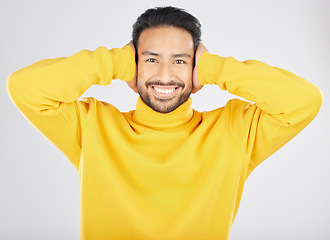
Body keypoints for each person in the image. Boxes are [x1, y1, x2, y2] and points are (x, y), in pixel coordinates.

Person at [7, 6, 322, 240]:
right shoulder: (92, 125)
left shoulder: (233, 130)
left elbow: (304, 101)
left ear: (195, 68)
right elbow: (25, 87)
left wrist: (215, 68)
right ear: (135, 66)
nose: (166, 76)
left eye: (180, 61)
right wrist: (114, 62)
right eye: (152, 59)